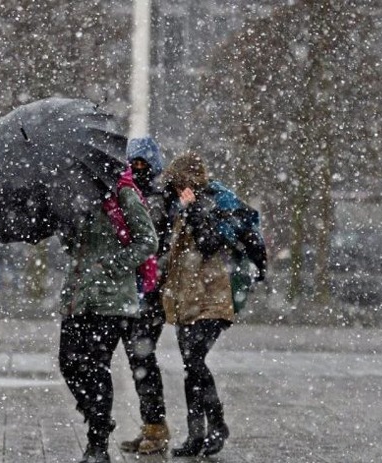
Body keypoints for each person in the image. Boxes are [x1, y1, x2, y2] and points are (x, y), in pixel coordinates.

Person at [160, 151, 265, 457]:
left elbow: (208, 244)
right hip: (186, 297)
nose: (177, 189)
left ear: (190, 180)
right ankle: (196, 435)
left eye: (179, 183)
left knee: (194, 361)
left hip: (214, 296)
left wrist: (194, 211)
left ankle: (217, 425)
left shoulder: (213, 203)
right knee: (191, 367)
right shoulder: (179, 206)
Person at [58, 163, 158, 463]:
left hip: (112, 300)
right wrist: (67, 228)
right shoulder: (76, 195)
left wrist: (113, 266)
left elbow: (148, 241)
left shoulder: (123, 193)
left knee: (96, 366)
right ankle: (99, 418)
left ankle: (98, 444)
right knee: (69, 363)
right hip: (78, 296)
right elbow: (75, 248)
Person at [118, 136, 172, 455]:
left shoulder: (155, 198)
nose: (138, 169)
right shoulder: (134, 194)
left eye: (143, 164)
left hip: (149, 292)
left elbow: (151, 242)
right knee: (139, 359)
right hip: (137, 291)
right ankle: (151, 425)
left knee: (143, 359)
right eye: (133, 163)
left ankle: (155, 427)